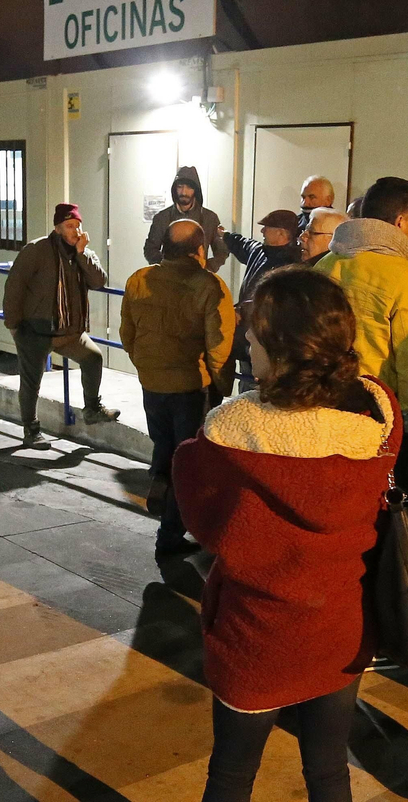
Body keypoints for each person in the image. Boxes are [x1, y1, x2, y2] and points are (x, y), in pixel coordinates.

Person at [172, 267, 400, 802]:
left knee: (230, 776)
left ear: (280, 349)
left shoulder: (231, 433)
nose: (246, 347)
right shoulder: (376, 421)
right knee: (328, 773)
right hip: (339, 627)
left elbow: (202, 520)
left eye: (253, 339)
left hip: (256, 637)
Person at [120, 219, 236, 560]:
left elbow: (128, 333)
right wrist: (222, 386)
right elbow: (219, 346)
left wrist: (146, 364)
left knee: (164, 445)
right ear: (199, 250)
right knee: (187, 462)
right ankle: (170, 534)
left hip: (151, 382)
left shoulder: (139, 279)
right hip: (190, 386)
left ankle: (158, 477)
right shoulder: (209, 285)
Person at [314, 176, 408, 433]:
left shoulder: (325, 264)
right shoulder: (404, 275)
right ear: (400, 221)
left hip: (323, 392)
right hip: (375, 400)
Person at [3, 203, 120, 448]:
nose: (75, 230)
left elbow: (98, 280)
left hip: (70, 330)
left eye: (78, 225)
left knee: (93, 358)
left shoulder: (83, 252)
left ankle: (91, 409)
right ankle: (31, 430)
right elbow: (15, 287)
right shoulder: (36, 250)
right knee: (31, 381)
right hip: (35, 329)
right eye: (69, 226)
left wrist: (81, 253)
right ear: (57, 228)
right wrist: (13, 324)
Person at [221, 209, 304, 390]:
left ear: (282, 233)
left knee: (258, 383)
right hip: (246, 335)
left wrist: (242, 310)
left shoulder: (294, 264)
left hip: (267, 338)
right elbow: (242, 244)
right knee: (246, 379)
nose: (262, 232)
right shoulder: (259, 251)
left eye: (267, 227)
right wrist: (224, 235)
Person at [145, 166, 227, 273]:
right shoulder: (162, 218)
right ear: (175, 189)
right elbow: (150, 249)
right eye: (180, 186)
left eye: (189, 187)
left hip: (198, 281)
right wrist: (165, 268)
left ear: (195, 190)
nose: (184, 192)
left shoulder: (210, 218)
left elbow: (222, 250)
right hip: (169, 280)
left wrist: (208, 268)